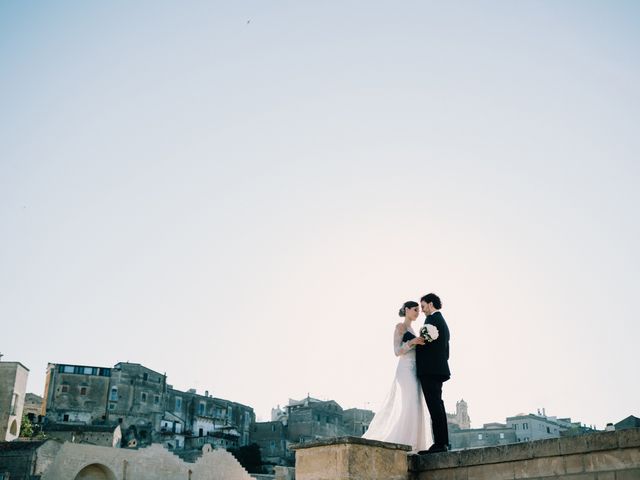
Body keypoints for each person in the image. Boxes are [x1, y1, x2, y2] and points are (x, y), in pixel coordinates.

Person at [362, 301, 432, 452]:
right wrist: (413, 341)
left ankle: (417, 444)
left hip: (416, 370)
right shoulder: (400, 327)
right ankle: (406, 443)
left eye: (418, 310)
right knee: (411, 402)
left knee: (417, 404)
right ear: (406, 310)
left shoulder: (414, 329)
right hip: (405, 370)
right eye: (415, 310)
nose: (417, 312)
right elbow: (396, 351)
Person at [416, 293, 451, 454]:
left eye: (423, 306)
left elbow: (423, 343)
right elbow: (446, 350)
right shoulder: (443, 322)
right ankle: (443, 442)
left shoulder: (431, 320)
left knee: (434, 406)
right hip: (438, 369)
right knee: (438, 405)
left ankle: (439, 444)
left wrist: (410, 339)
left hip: (430, 370)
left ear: (430, 304)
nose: (422, 310)